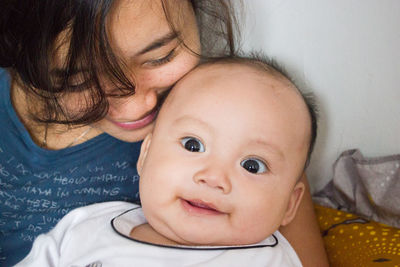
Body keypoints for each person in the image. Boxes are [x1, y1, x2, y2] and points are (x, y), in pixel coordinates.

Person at [0, 0, 328, 266]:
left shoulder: (260, 125)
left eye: (160, 56)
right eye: (79, 81)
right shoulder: (85, 230)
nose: (135, 109)